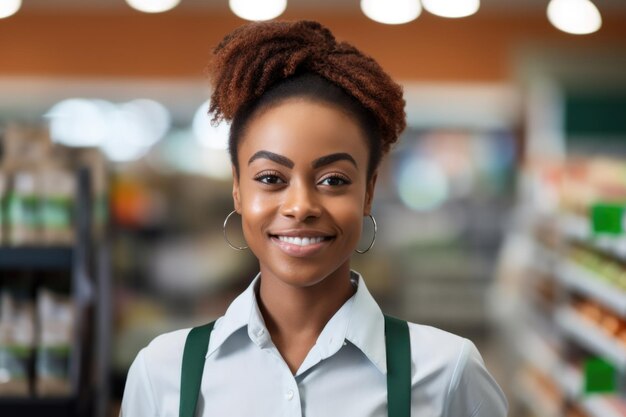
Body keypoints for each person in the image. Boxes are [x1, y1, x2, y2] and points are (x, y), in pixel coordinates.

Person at [120, 20, 508, 417]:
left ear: (368, 192)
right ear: (238, 189)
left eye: (333, 179)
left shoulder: (446, 374)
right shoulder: (162, 373)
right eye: (271, 178)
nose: (301, 206)